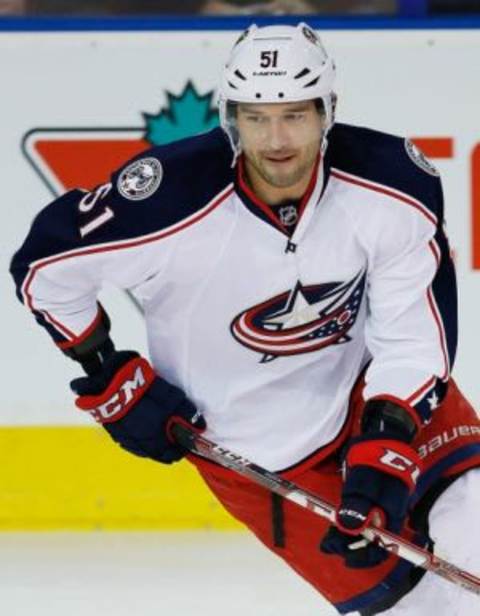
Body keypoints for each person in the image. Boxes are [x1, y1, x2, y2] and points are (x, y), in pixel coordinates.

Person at [10, 23, 480, 615]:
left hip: (368, 392)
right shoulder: (167, 198)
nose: (276, 139)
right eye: (256, 117)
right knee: (431, 610)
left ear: (328, 110)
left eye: (295, 115)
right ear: (231, 117)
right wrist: (108, 375)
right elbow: (45, 269)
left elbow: (414, 333)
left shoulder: (391, 184)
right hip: (260, 454)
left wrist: (386, 438)